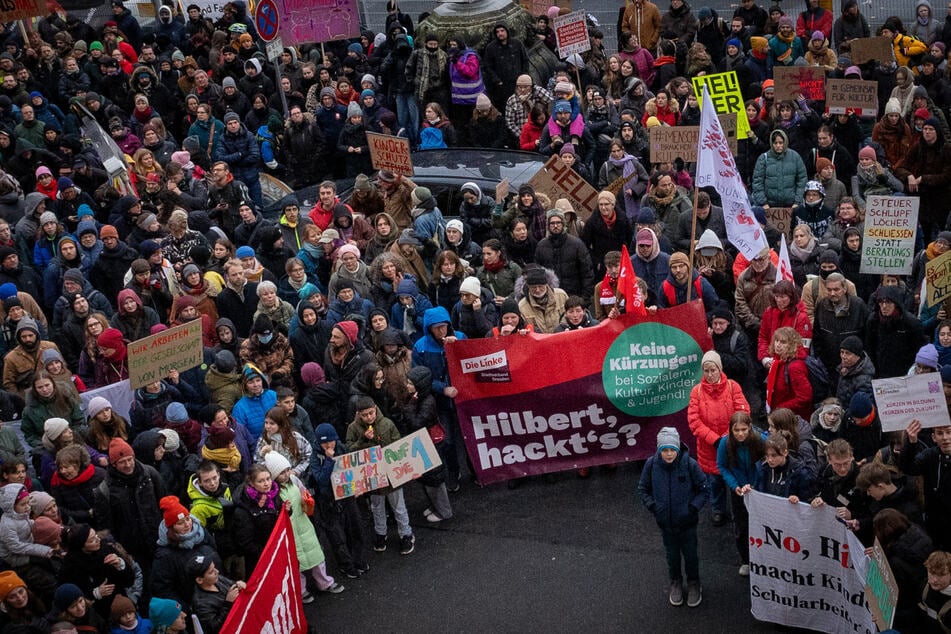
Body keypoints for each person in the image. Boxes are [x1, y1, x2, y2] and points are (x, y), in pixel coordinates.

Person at [638, 426, 707, 608]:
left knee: (691, 555)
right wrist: (653, 507)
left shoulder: (690, 464)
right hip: (665, 524)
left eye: (672, 450)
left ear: (678, 449)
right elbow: (643, 489)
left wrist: (692, 509)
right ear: (659, 450)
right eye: (665, 450)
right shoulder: (651, 465)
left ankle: (694, 583)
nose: (669, 454)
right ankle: (675, 582)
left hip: (688, 523)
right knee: (672, 556)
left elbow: (703, 489)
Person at [264, 451, 344, 600]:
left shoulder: (294, 480)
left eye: (287, 470)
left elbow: (304, 493)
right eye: (282, 473)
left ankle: (324, 582)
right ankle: (300, 590)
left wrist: (307, 500)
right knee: (295, 561)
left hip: (303, 523)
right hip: (289, 530)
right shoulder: (272, 491)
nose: (286, 474)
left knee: (316, 554)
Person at [687, 351, 750, 527]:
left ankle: (739, 510)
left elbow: (743, 411)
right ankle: (718, 509)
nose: (709, 374)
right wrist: (715, 440)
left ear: (719, 368)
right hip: (710, 448)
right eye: (706, 370)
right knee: (714, 483)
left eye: (713, 370)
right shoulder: (696, 392)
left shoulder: (733, 387)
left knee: (734, 479)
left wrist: (731, 436)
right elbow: (694, 421)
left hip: (732, 444)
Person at [347, 395, 415, 555]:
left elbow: (399, 445)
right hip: (372, 478)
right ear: (358, 414)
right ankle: (380, 534)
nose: (369, 417)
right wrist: (363, 440)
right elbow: (349, 451)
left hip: (392, 475)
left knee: (399, 507)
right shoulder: (353, 428)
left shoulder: (387, 423)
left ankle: (406, 534)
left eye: (371, 413)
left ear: (376, 408)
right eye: (365, 415)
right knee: (377, 508)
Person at [717, 411, 764, 577]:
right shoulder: (725, 443)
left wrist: (756, 485)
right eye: (736, 430)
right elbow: (722, 466)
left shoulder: (761, 441)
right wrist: (735, 485)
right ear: (731, 430)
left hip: (759, 492)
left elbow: (766, 465)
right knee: (741, 527)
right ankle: (746, 560)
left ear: (750, 427)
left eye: (744, 429)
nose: (740, 433)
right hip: (738, 492)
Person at [902, 420, 951, 548]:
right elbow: (909, 468)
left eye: (949, 432)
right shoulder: (930, 456)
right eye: (940, 433)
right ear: (934, 437)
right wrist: (912, 442)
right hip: (934, 523)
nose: (945, 438)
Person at [765, 327, 813, 420]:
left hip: (791, 418)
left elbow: (805, 397)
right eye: (777, 340)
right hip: (780, 414)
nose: (778, 345)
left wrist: (780, 408)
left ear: (792, 345)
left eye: (783, 342)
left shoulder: (795, 367)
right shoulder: (778, 361)